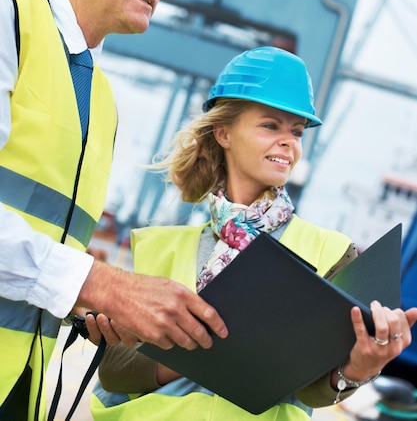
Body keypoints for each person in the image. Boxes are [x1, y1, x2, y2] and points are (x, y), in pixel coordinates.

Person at [0, 0, 228, 421]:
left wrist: (84, 306)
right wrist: (102, 284)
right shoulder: (7, 15)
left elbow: (43, 250)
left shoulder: (101, 104)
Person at [88, 46, 417, 421]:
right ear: (223, 132)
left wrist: (358, 369)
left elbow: (312, 385)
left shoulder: (333, 252)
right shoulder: (161, 246)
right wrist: (216, 350)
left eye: (296, 131)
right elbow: (115, 370)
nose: (289, 142)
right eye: (270, 125)